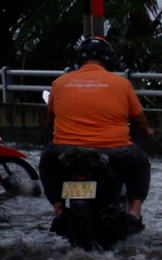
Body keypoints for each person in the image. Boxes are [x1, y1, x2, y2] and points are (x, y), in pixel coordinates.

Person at [42, 35, 153, 232]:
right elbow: (139, 120)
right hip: (113, 150)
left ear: (79, 59)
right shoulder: (121, 84)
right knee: (141, 164)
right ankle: (134, 212)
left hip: (66, 150)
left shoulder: (59, 83)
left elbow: (50, 121)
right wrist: (146, 131)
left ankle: (59, 211)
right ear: (108, 59)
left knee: (46, 164)